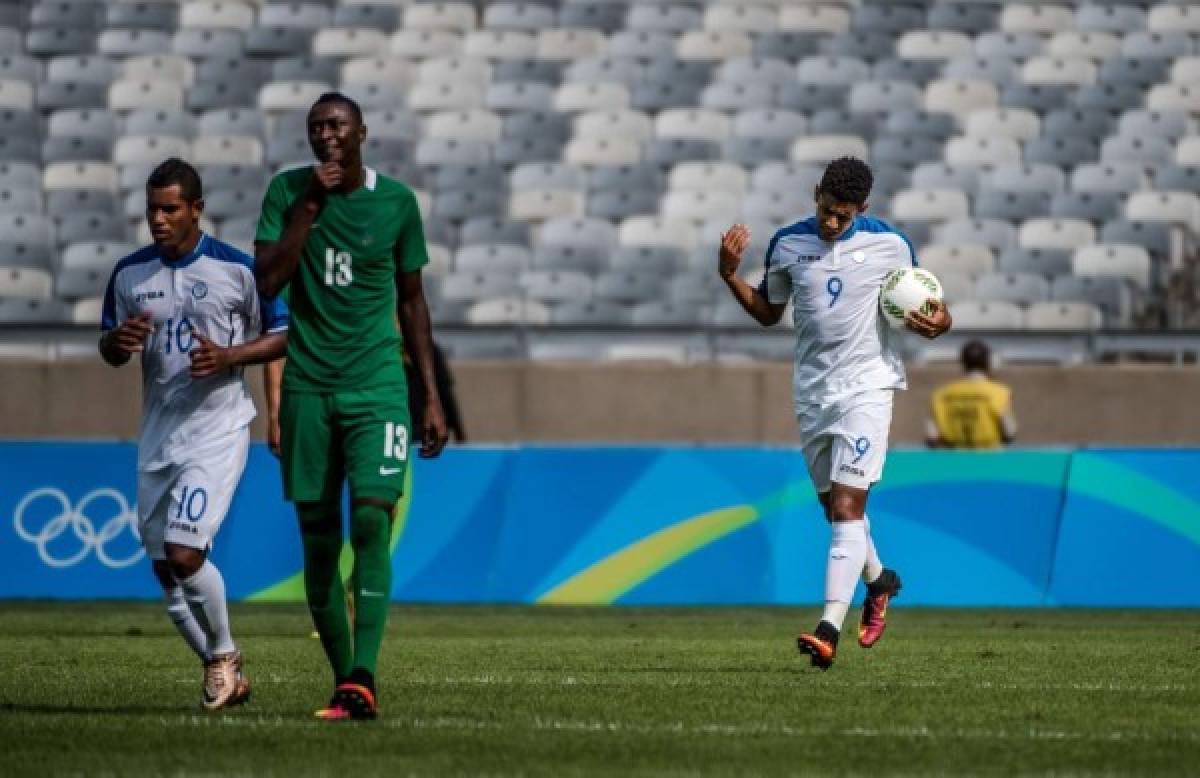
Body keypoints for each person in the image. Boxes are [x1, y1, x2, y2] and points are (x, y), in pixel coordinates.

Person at [253, 92, 448, 721]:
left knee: (370, 521)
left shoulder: (396, 203)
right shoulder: (286, 194)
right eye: (315, 126)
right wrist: (310, 206)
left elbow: (413, 301)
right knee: (317, 543)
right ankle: (346, 680)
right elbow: (266, 281)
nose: (325, 134)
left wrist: (432, 397)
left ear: (362, 131)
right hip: (308, 387)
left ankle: (363, 673)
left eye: (336, 124)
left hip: (377, 388)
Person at [717, 157, 952, 670]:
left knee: (847, 510)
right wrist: (730, 277)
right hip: (812, 392)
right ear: (816, 193)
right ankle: (880, 581)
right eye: (826, 210)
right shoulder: (788, 244)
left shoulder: (891, 245)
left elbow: (934, 305)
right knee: (837, 512)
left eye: (843, 217)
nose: (831, 223)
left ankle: (828, 629)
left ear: (862, 210)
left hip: (868, 388)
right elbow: (768, 312)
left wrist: (940, 321)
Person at [99, 158, 289, 709]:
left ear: (197, 209)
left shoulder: (238, 270)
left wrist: (229, 356)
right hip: (159, 434)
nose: (159, 220)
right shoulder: (130, 275)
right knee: (164, 568)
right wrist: (119, 344)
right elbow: (108, 348)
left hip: (218, 428)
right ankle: (220, 668)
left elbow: (283, 335)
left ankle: (224, 656)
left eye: (171, 209)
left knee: (185, 554)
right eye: (153, 209)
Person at [926, 340, 1016, 448]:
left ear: (963, 362)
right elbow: (1009, 432)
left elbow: (932, 436)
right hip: (989, 460)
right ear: (988, 362)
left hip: (953, 460)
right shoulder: (999, 393)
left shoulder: (941, 395)